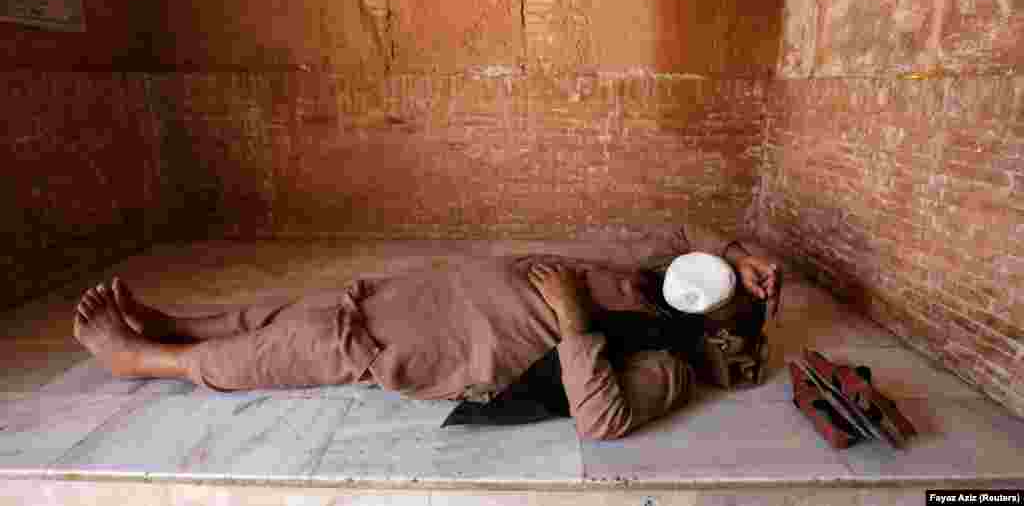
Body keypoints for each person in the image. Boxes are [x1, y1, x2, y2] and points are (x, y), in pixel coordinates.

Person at [73, 225, 779, 440]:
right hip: (407, 297)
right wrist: (742, 254)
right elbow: (695, 234)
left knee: (288, 348)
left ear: (718, 333)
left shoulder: (670, 359)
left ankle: (146, 358)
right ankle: (174, 323)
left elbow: (603, 419)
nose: (698, 274)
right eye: (711, 271)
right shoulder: (661, 281)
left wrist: (570, 315)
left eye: (716, 290)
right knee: (281, 312)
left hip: (411, 348)